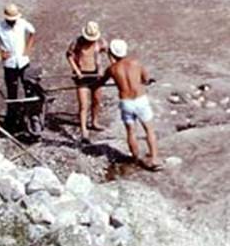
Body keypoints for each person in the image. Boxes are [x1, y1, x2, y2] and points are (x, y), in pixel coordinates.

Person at [94, 39, 161, 171]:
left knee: (131, 131)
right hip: (140, 100)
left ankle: (135, 157)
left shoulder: (112, 69)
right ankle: (154, 159)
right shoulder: (136, 63)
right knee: (149, 130)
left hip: (126, 103)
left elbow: (101, 82)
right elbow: (145, 79)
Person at [0, 3, 35, 132]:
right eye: (10, 20)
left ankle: (29, 117)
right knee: (12, 92)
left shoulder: (23, 23)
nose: (12, 22)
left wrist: (27, 49)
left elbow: (33, 33)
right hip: (10, 64)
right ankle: (12, 119)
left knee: (29, 89)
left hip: (23, 61)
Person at [66, 21, 108, 142]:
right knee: (84, 105)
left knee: (96, 101)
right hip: (82, 76)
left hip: (96, 75)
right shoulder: (77, 42)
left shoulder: (100, 42)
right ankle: (84, 130)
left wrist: (111, 67)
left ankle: (94, 122)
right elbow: (69, 55)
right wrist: (76, 70)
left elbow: (108, 52)